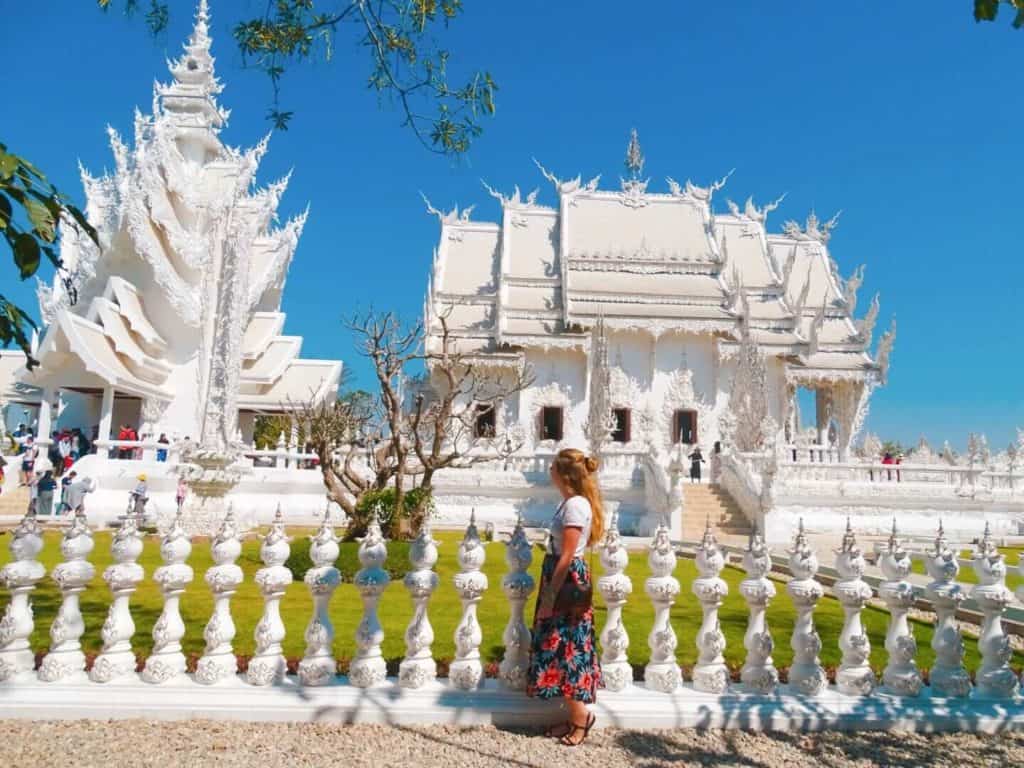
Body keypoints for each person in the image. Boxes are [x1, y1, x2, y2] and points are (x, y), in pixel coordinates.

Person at [527, 448, 604, 747]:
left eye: (552, 466)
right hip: (563, 577)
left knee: (568, 647)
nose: (548, 471)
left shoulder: (575, 506)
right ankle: (573, 716)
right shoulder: (570, 503)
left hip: (566, 581)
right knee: (559, 647)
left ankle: (582, 719)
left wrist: (549, 596)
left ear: (563, 474)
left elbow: (568, 554)